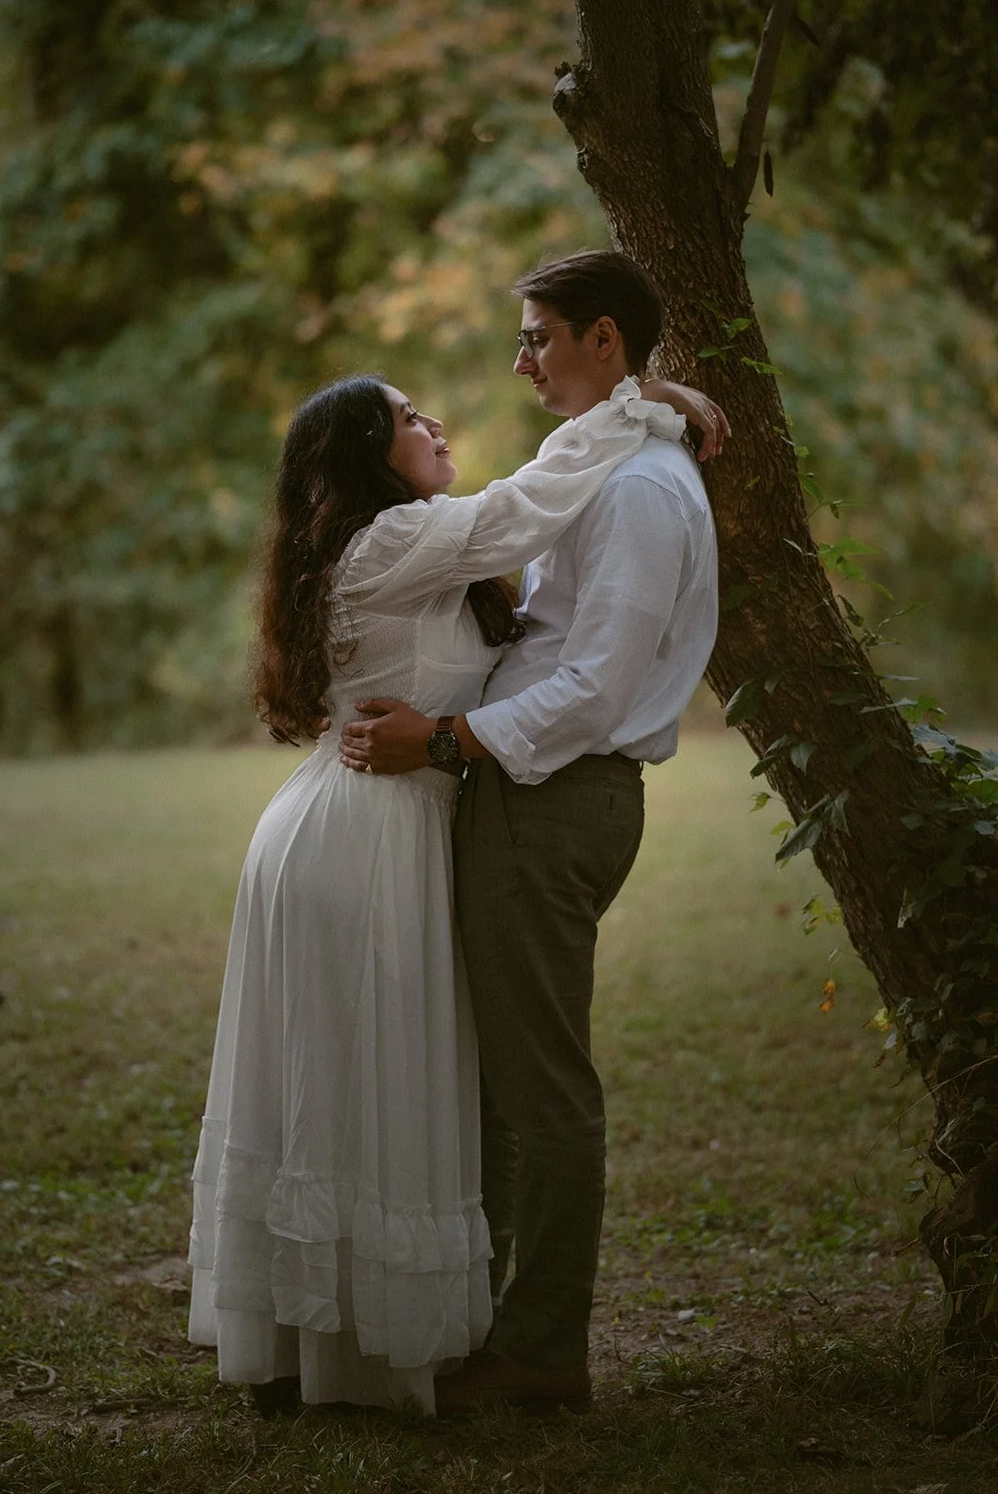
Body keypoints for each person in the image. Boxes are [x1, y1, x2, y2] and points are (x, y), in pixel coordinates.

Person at [186, 355, 715, 1417]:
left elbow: (510, 521)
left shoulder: (395, 546)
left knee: (352, 1086)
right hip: (367, 837)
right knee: (362, 1084)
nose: (432, 423)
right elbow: (527, 505)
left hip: (368, 822)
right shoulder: (389, 540)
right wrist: (642, 403)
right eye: (405, 417)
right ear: (362, 460)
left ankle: (325, 1344)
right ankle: (340, 1351)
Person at [339, 250, 723, 1415]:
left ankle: (543, 1350)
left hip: (558, 796)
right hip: (529, 789)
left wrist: (445, 740)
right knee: (504, 1082)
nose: (520, 362)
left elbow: (599, 688)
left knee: (540, 1088)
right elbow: (525, 514)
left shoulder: (648, 493)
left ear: (604, 339)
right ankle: (483, 1322)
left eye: (540, 336)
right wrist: (663, 398)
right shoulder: (605, 468)